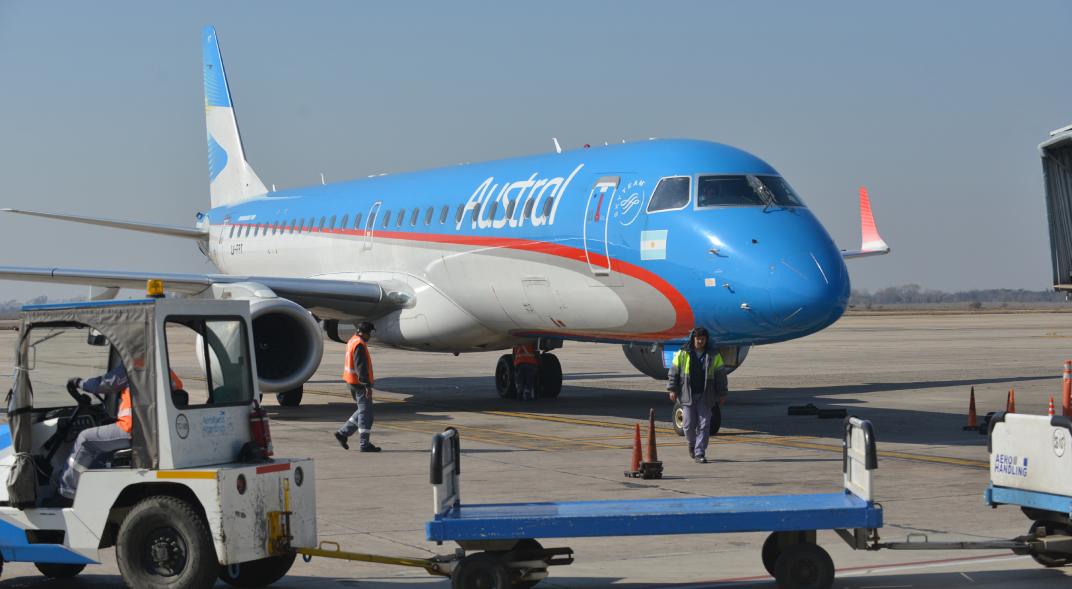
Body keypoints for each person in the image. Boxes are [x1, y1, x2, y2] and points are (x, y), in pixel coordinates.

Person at [59, 365, 184, 499]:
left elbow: (101, 384)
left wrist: (78, 382)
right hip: (152, 430)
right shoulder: (164, 369)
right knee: (100, 445)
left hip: (131, 429)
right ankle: (93, 484)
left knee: (85, 439)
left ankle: (68, 490)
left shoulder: (132, 367)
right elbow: (178, 386)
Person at [667, 327, 724, 463]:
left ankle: (699, 452)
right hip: (688, 394)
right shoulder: (682, 353)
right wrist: (672, 389)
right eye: (698, 338)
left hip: (706, 395)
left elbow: (721, 375)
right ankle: (692, 443)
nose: (700, 341)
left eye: (703, 338)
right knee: (687, 424)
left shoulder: (714, 355)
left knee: (705, 424)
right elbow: (673, 372)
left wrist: (722, 393)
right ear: (693, 338)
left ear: (706, 339)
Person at [335, 322, 380, 452]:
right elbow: (361, 368)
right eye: (369, 333)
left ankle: (342, 433)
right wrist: (367, 386)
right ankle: (364, 444)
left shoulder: (353, 340)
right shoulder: (359, 344)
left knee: (362, 411)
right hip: (359, 384)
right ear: (365, 332)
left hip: (352, 382)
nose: (370, 336)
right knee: (367, 415)